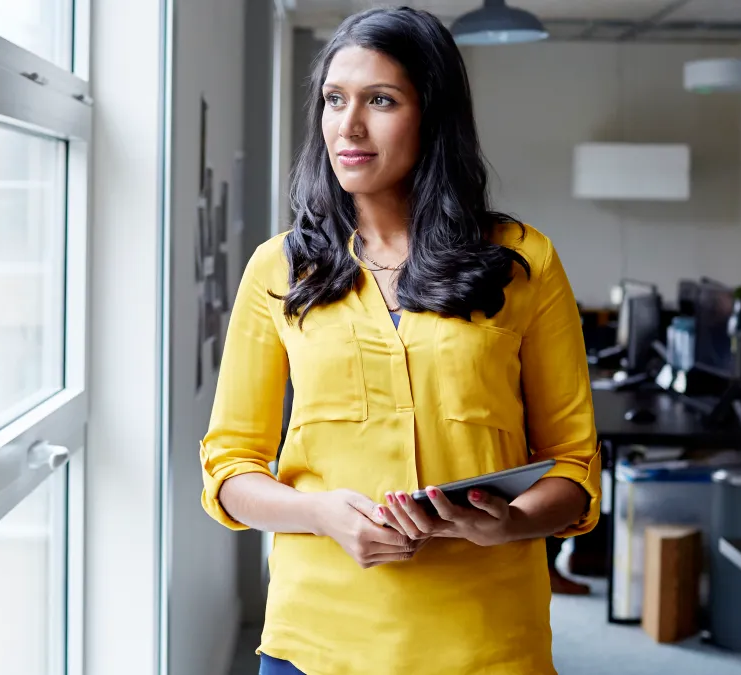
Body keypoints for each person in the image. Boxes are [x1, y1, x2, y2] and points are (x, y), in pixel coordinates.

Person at [199, 8, 600, 675]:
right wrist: (320, 513)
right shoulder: (280, 268)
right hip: (317, 641)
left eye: (380, 100)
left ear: (433, 115)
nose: (348, 127)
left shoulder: (525, 261)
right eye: (335, 100)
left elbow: (575, 466)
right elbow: (229, 466)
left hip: (486, 640)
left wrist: (510, 520)